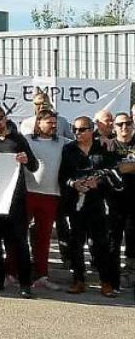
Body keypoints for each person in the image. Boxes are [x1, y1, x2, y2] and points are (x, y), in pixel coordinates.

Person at [0, 106, 38, 298]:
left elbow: (34, 166)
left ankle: (25, 284)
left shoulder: (18, 140)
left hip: (16, 201)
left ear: (5, 118)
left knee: (20, 244)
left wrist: (26, 159)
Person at [59, 116, 119, 297]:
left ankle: (105, 282)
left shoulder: (104, 147)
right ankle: (78, 280)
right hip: (75, 204)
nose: (77, 133)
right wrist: (73, 184)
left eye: (81, 129)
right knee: (76, 243)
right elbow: (62, 176)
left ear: (91, 130)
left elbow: (113, 172)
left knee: (101, 244)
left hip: (97, 203)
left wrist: (99, 181)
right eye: (74, 129)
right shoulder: (68, 149)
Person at [23, 110, 67, 291]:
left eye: (55, 123)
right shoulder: (26, 140)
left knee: (43, 238)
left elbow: (84, 144)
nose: (54, 125)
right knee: (18, 235)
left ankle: (42, 275)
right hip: (28, 193)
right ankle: (12, 272)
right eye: (49, 122)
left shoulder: (63, 143)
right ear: (38, 123)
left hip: (51, 196)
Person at [108, 112, 135, 292]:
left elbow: (119, 167)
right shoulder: (107, 146)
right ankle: (113, 280)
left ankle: (131, 274)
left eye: (128, 123)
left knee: (133, 241)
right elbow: (111, 168)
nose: (124, 127)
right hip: (114, 202)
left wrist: (121, 167)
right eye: (120, 124)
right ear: (113, 127)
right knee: (113, 241)